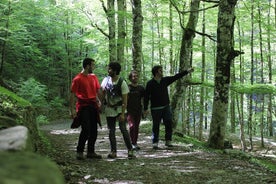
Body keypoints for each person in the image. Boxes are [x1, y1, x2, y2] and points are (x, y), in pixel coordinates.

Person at [144, 65, 194, 149]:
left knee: (169, 123)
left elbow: (176, 77)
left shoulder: (165, 80)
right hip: (155, 109)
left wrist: (187, 71)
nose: (162, 72)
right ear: (156, 72)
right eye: (160, 71)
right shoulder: (150, 83)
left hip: (166, 107)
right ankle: (155, 142)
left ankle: (168, 141)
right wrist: (145, 108)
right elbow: (146, 97)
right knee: (156, 125)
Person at [101, 62, 135, 159]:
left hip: (120, 109)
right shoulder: (106, 80)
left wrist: (123, 114)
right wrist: (100, 103)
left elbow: (125, 100)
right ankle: (113, 151)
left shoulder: (122, 82)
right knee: (111, 131)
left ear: (115, 71)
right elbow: (102, 92)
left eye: (110, 69)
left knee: (123, 129)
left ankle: (130, 150)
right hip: (109, 108)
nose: (108, 70)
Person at [69, 58, 102, 160]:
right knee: (86, 129)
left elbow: (95, 91)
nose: (94, 67)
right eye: (93, 65)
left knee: (94, 130)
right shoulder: (77, 79)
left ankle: (91, 152)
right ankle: (79, 151)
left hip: (93, 106)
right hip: (83, 107)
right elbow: (73, 95)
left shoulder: (93, 77)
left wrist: (98, 100)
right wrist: (72, 110)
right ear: (87, 66)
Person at [127, 70, 145, 150]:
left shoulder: (141, 88)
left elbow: (144, 99)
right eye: (134, 76)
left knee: (136, 127)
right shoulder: (127, 87)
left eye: (137, 76)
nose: (136, 77)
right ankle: (132, 142)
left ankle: (135, 143)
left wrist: (145, 109)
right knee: (132, 126)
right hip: (129, 110)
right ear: (130, 78)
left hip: (138, 110)